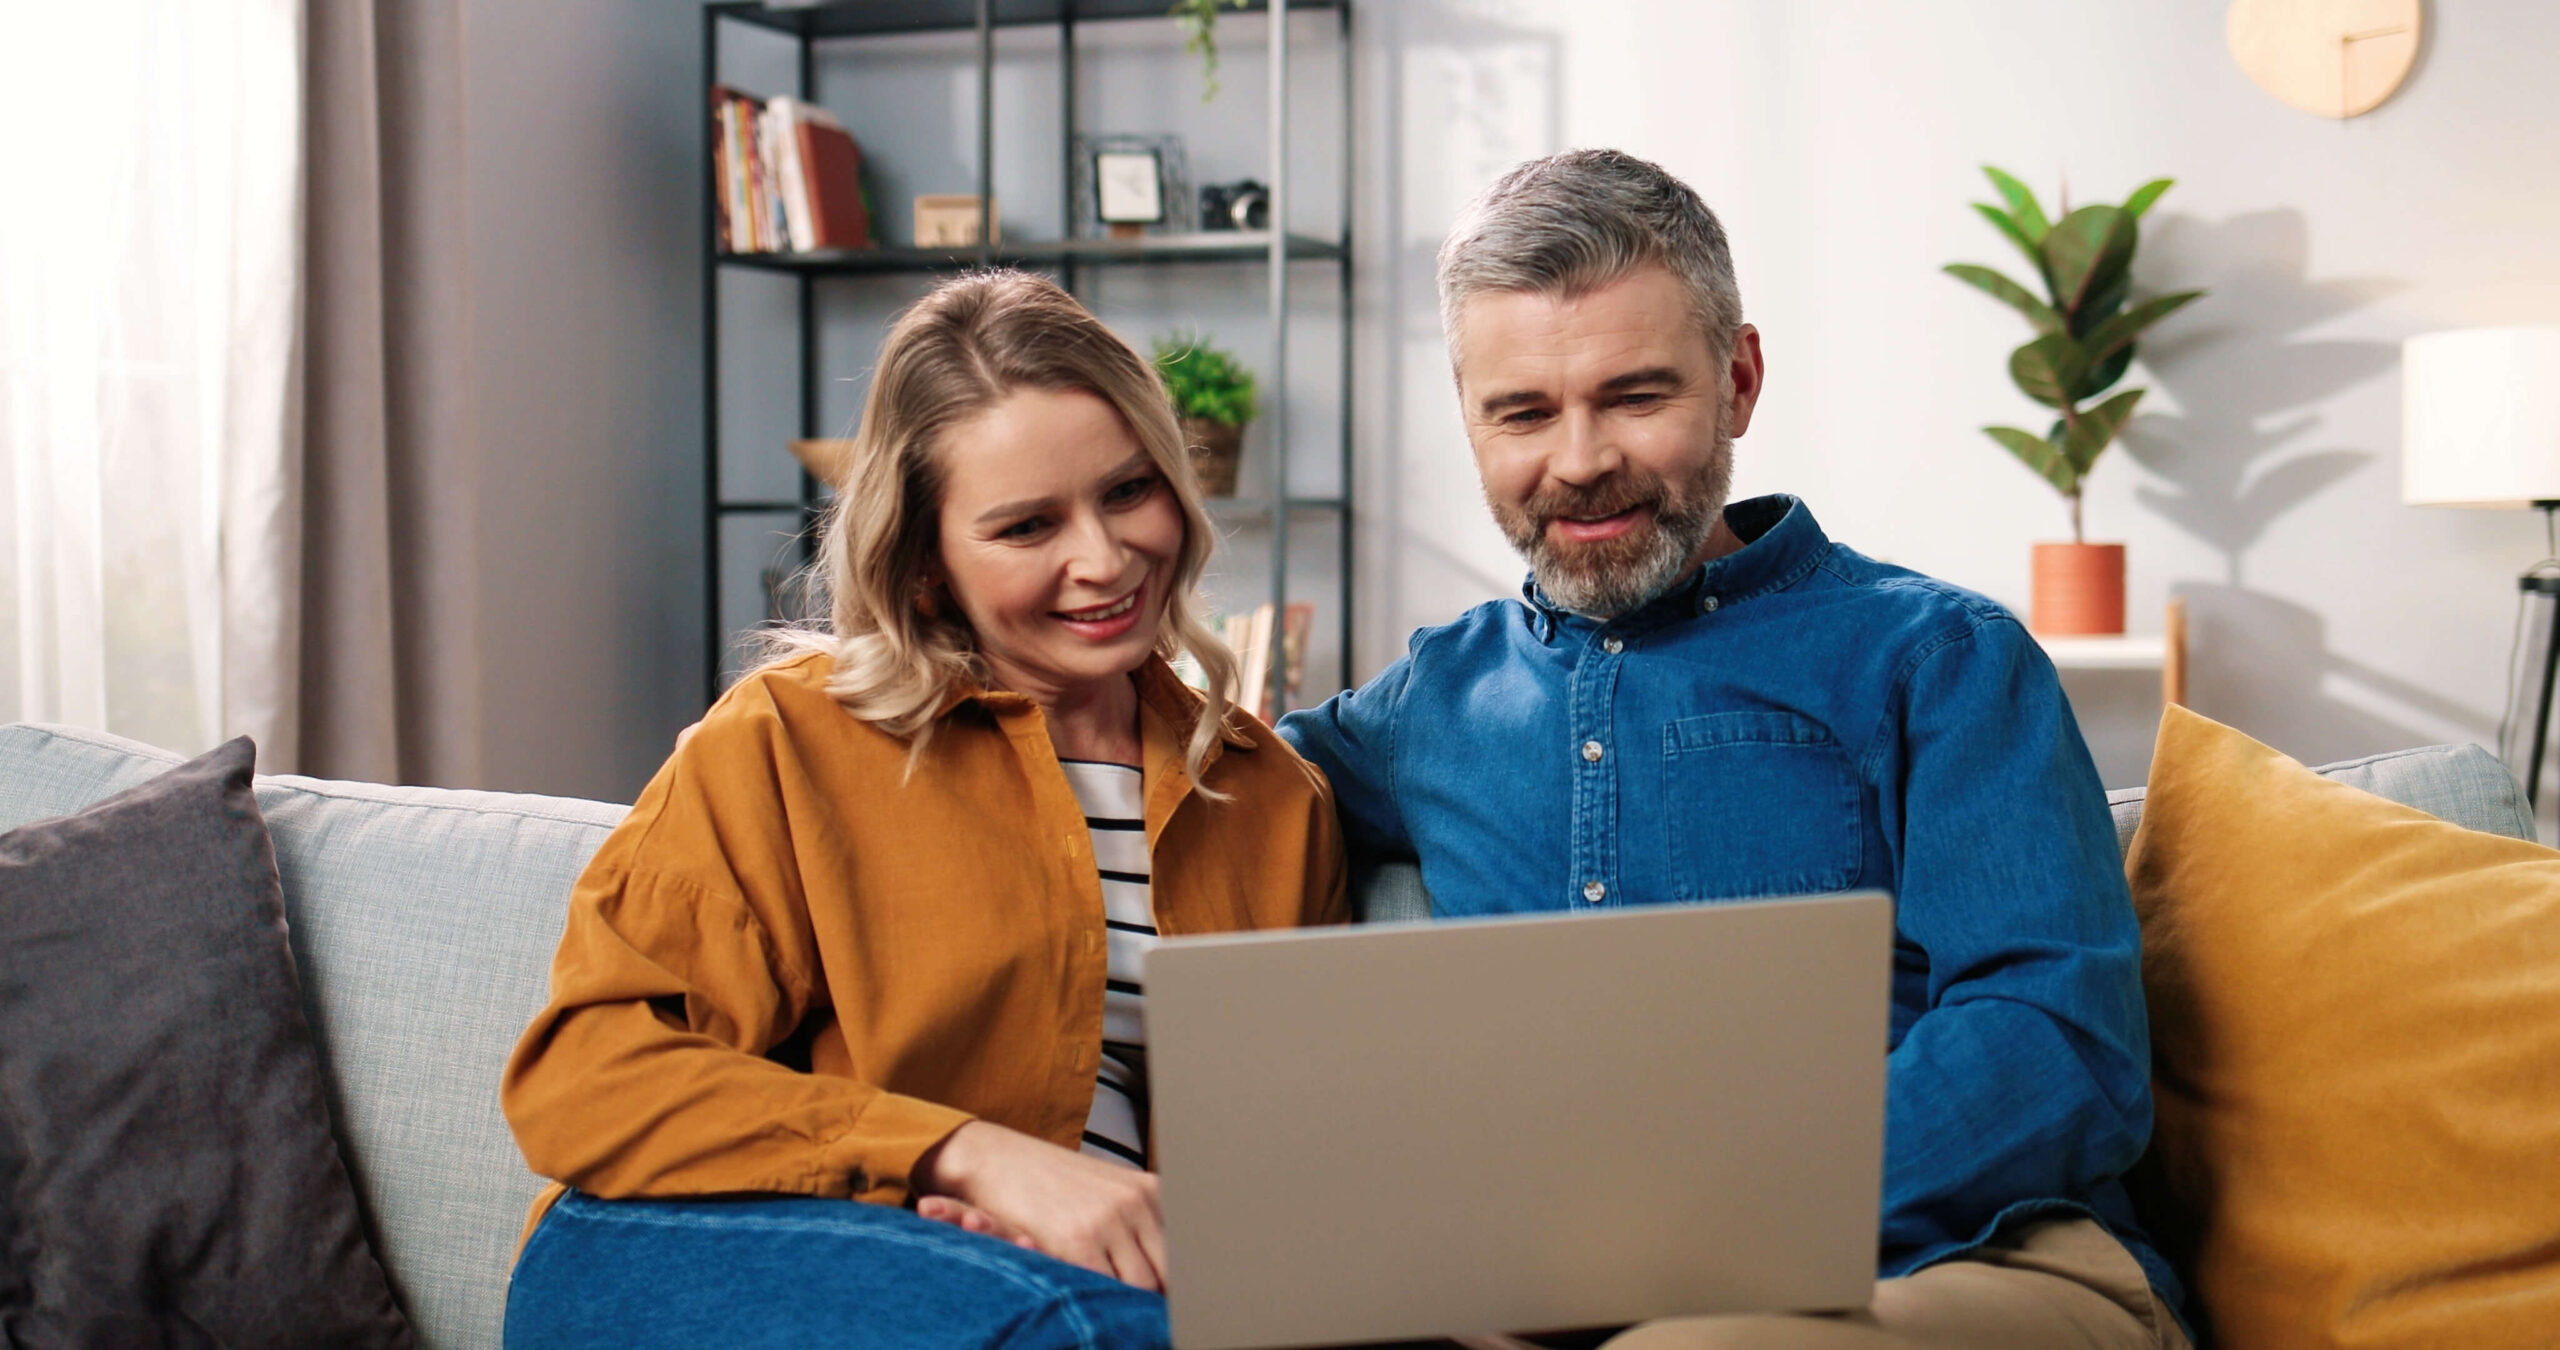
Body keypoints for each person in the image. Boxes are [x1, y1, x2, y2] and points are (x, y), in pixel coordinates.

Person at [1278, 150, 2190, 1350]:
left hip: (1976, 1265)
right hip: (1563, 1295)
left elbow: (2059, 1042)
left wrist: (1664, 1237)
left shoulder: (1939, 658)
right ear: (1470, 416)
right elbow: (1200, 785)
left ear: (1739, 380)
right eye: (1522, 411)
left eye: (1635, 396)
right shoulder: (1429, 701)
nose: (1578, 458)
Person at [499, 270, 1345, 1349]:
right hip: (739, 1264)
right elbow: (587, 1078)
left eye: (1128, 491)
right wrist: (961, 1156)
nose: (1103, 557)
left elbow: (1284, 1165)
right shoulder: (784, 743)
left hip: (1069, 1297)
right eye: (1028, 525)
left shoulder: (1269, 800)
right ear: (929, 565)